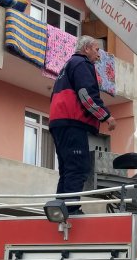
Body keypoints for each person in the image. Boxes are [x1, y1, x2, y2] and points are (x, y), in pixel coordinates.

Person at [49, 35, 115, 213]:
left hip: (59, 123)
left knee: (67, 169)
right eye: (96, 50)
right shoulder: (82, 64)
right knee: (77, 167)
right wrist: (105, 116)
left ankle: (60, 209)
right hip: (72, 123)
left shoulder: (67, 66)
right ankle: (70, 210)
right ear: (86, 49)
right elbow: (86, 95)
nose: (98, 55)